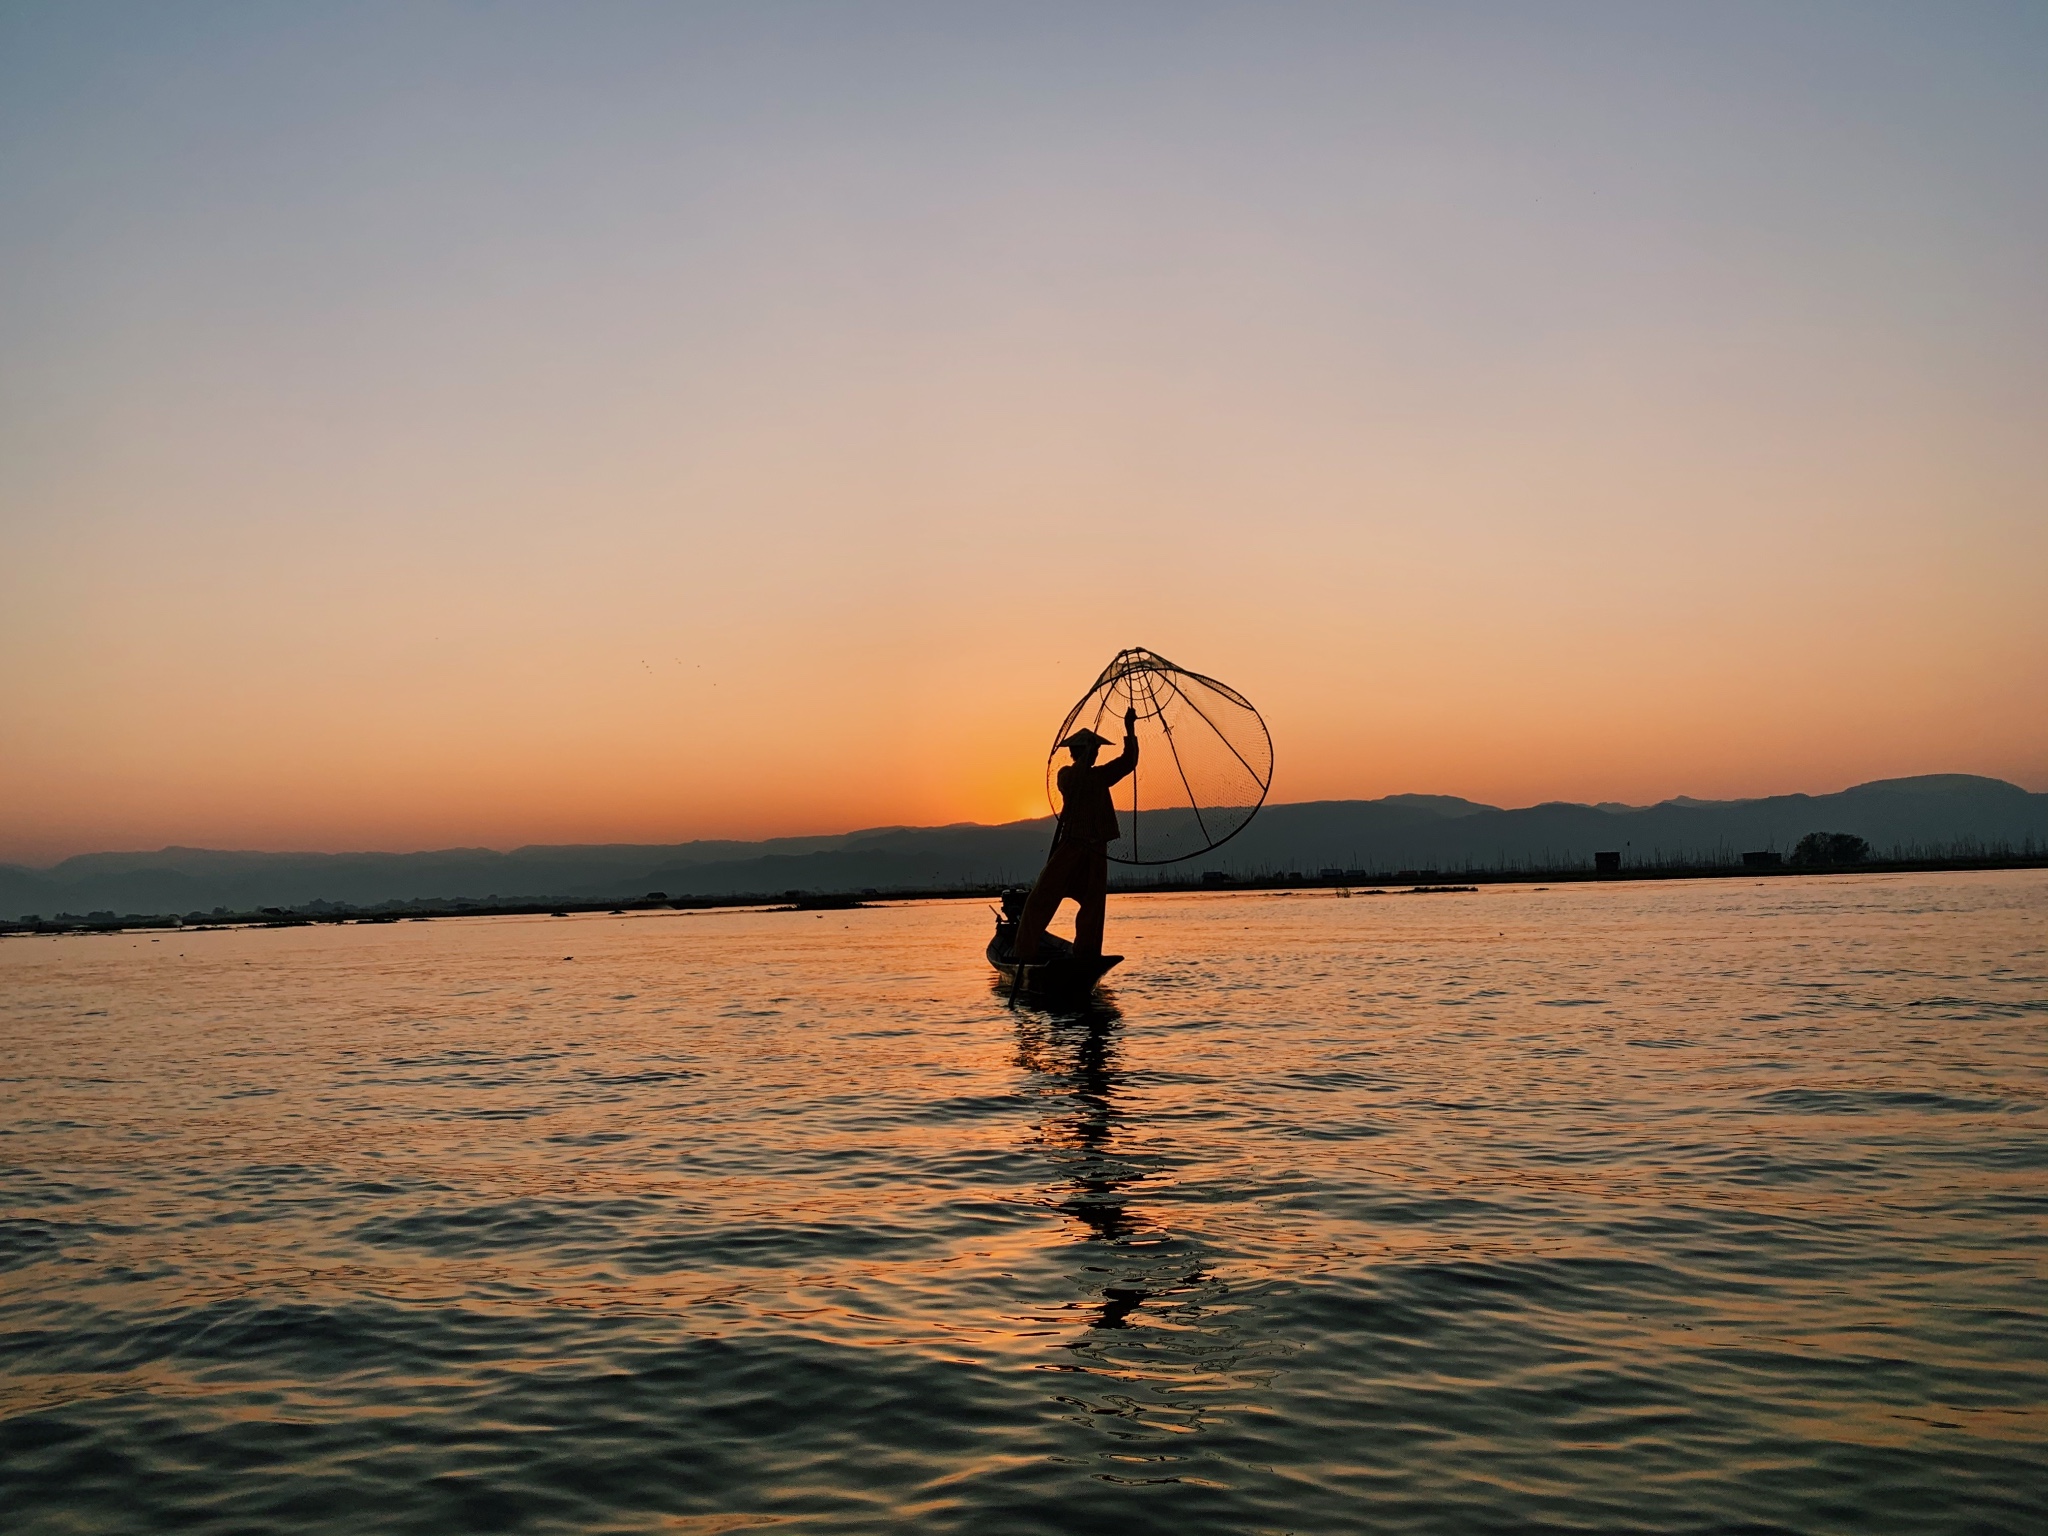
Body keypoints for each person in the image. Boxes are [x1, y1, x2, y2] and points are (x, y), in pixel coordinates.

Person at [1012, 706, 1139, 963]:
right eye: (1091, 751)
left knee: (1093, 906)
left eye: (1096, 751)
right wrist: (1085, 755)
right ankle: (1024, 952)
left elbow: (1129, 762)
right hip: (1071, 845)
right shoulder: (1067, 775)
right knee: (1041, 897)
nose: (1095, 755)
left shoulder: (1100, 776)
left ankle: (1086, 955)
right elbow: (1075, 781)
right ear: (1077, 754)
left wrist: (1129, 728)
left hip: (1095, 849)